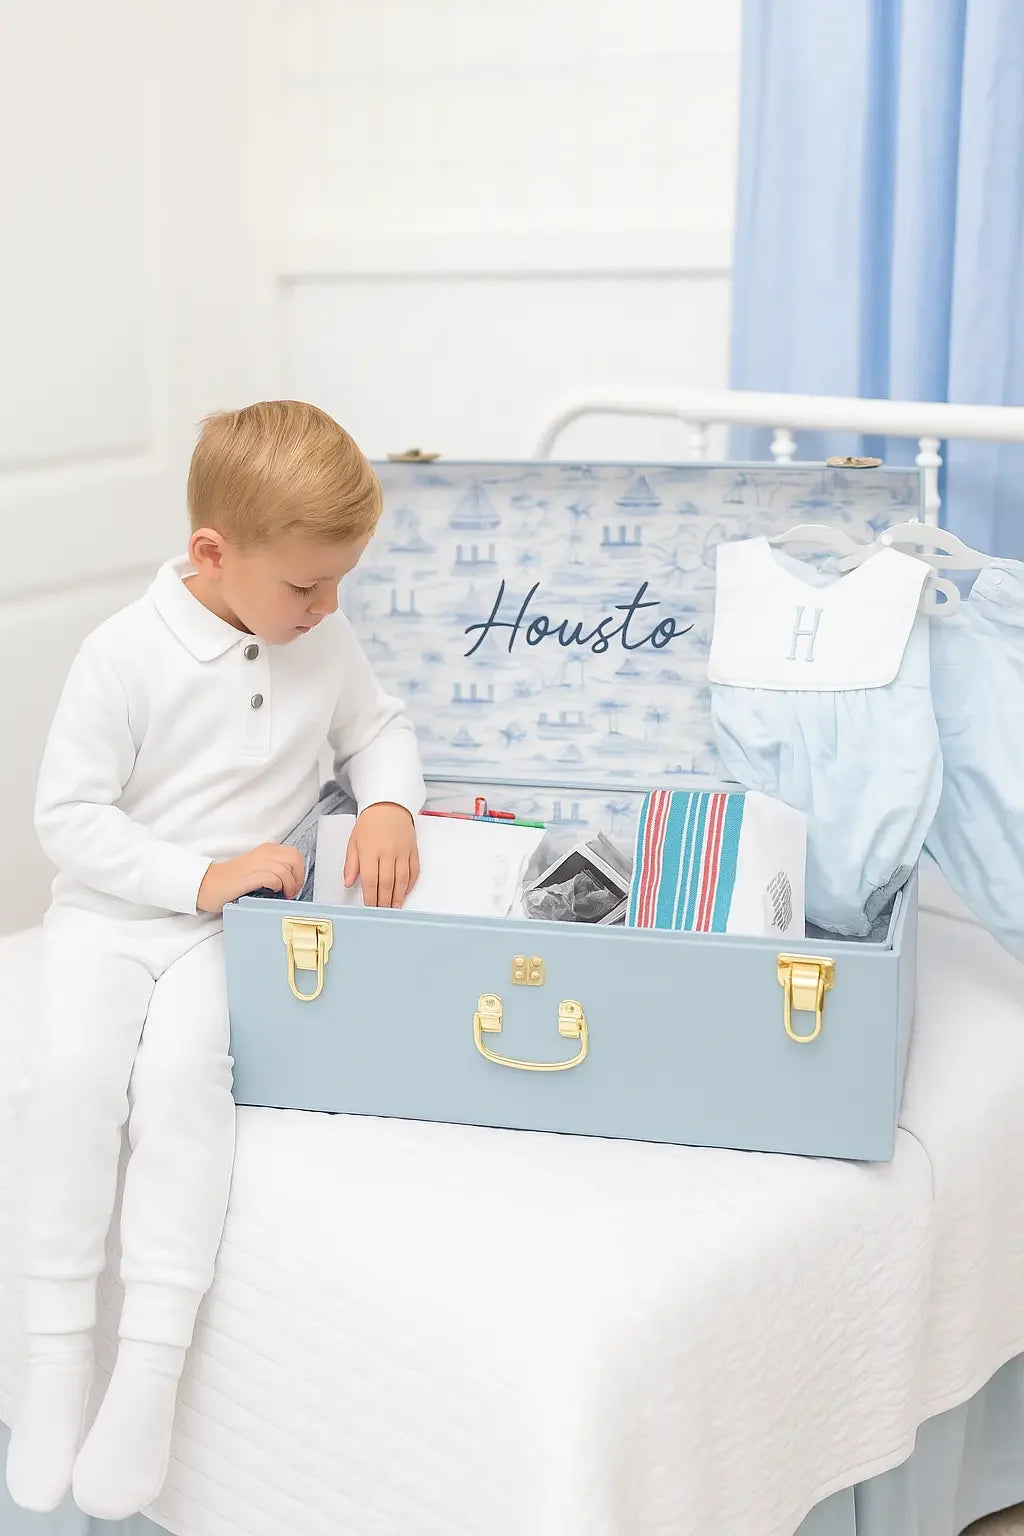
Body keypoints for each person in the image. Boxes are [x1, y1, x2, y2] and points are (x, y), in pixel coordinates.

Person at [6, 401, 423, 1520]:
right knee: (70, 1084)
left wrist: (388, 802)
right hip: (112, 915)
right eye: (307, 586)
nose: (326, 607)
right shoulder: (123, 655)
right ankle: (55, 1358)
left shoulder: (321, 639)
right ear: (211, 553)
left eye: (339, 583)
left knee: (188, 1087)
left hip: (222, 935)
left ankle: (149, 1366)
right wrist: (200, 875)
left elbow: (378, 726)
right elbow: (68, 820)